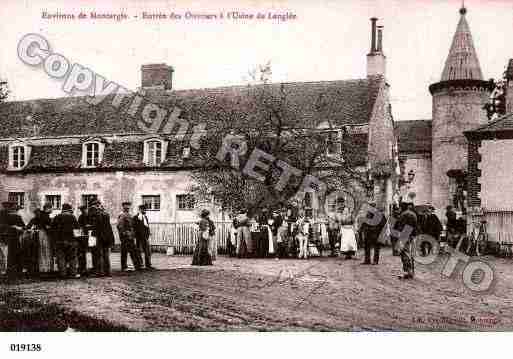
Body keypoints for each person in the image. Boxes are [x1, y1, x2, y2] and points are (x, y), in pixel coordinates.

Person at [52, 203, 80, 278]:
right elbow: (77, 229)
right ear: (69, 210)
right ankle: (73, 273)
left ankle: (62, 274)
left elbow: (53, 229)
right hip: (71, 241)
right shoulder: (73, 217)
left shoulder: (57, 217)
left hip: (59, 241)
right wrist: (77, 240)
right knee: (72, 258)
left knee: (61, 257)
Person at [90, 201, 115, 276]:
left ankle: (100, 272)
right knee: (106, 254)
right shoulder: (106, 214)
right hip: (107, 237)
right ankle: (108, 271)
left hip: (99, 237)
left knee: (99, 254)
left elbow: (97, 227)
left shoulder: (97, 215)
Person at [394, 201, 418, 280]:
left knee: (404, 253)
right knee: (409, 253)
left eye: (400, 207)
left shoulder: (403, 215)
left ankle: (408, 272)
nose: (399, 209)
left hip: (404, 234)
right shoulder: (413, 214)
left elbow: (400, 226)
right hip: (411, 234)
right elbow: (416, 226)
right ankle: (411, 271)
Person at [117, 202, 142, 272]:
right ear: (123, 207)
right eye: (126, 206)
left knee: (133, 251)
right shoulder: (122, 215)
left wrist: (132, 233)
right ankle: (124, 267)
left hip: (130, 236)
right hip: (125, 237)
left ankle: (137, 266)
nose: (127, 207)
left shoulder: (129, 215)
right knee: (124, 252)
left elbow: (132, 226)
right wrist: (125, 233)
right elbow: (119, 226)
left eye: (128, 206)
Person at [3, 202, 25, 279]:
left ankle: (10, 272)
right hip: (14, 238)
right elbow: (23, 227)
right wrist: (17, 228)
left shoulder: (5, 216)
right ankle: (17, 272)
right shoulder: (17, 217)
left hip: (9, 238)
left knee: (10, 255)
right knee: (16, 254)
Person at [133, 204, 153, 270]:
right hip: (138, 237)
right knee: (138, 251)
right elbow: (134, 227)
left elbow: (147, 226)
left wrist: (148, 233)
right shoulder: (136, 217)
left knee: (147, 251)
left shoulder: (145, 217)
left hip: (145, 237)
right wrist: (136, 236)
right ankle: (140, 265)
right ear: (140, 210)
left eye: (145, 209)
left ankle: (148, 265)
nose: (144, 210)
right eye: (143, 209)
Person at [77, 205, 92, 275]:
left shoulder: (90, 216)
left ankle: (90, 268)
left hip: (91, 236)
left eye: (84, 210)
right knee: (82, 253)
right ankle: (83, 268)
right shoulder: (81, 217)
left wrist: (89, 226)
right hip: (83, 237)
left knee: (93, 252)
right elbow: (79, 226)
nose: (83, 211)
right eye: (81, 210)